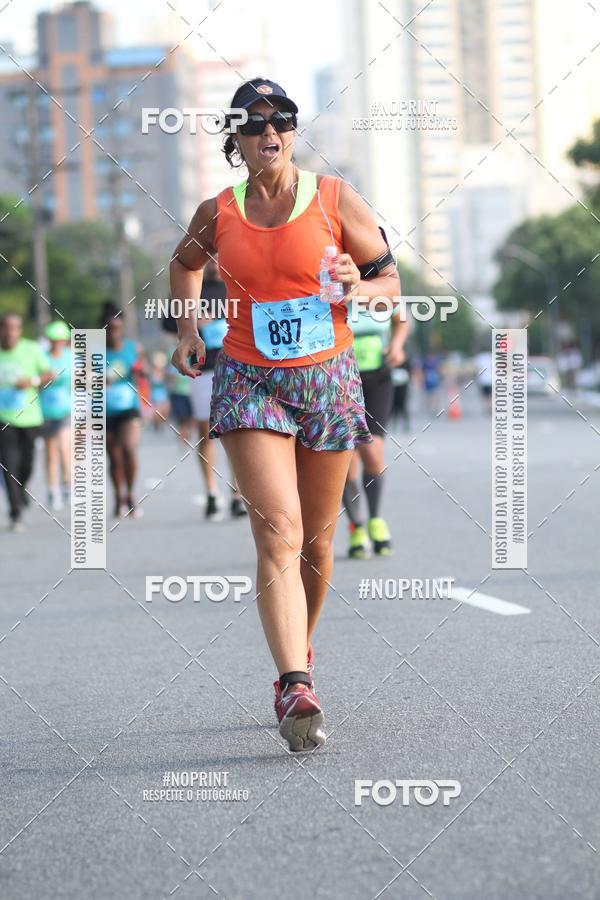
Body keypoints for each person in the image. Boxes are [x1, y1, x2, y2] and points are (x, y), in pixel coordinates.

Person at [169, 77, 400, 752]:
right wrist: (190, 330)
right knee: (278, 529)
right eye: (254, 122)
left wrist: (364, 285)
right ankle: (294, 681)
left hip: (327, 377)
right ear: (236, 139)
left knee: (319, 544)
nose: (270, 131)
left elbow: (391, 284)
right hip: (247, 379)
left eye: (283, 120)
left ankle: (301, 643)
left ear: (294, 131)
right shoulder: (219, 210)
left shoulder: (335, 199)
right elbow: (184, 267)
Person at [342, 306, 409, 559]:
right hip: (341, 379)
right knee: (347, 457)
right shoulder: (332, 281)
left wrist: (397, 345)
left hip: (379, 379)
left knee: (372, 451)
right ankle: (356, 526)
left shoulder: (380, 279)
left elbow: (401, 318)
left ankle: (375, 519)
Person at [190, 258, 247, 520]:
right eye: (209, 256)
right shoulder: (191, 284)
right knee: (206, 432)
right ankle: (212, 493)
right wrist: (192, 323)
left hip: (236, 366)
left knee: (237, 430)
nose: (213, 261)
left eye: (218, 255)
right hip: (204, 368)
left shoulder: (236, 282)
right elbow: (168, 321)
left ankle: (237, 493)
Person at [0, 313, 52, 531]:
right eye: (7, 327)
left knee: (27, 465)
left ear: (20, 331)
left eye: (15, 328)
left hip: (30, 418)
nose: (11, 332)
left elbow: (49, 374)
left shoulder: (31, 349)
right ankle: (15, 513)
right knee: (9, 466)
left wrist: (31, 381)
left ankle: (21, 490)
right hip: (4, 420)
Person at [103, 308, 143, 518]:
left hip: (129, 408)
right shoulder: (96, 351)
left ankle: (130, 492)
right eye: (110, 330)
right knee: (115, 457)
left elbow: (142, 370)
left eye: (118, 329)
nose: (114, 333)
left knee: (128, 449)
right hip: (106, 410)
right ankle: (118, 496)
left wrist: (139, 370)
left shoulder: (132, 348)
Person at [40, 320, 72, 510]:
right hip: (45, 410)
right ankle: (52, 490)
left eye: (59, 340)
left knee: (64, 448)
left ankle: (68, 486)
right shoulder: (43, 357)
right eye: (53, 340)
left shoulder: (71, 357)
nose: (56, 343)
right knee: (50, 452)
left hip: (66, 409)